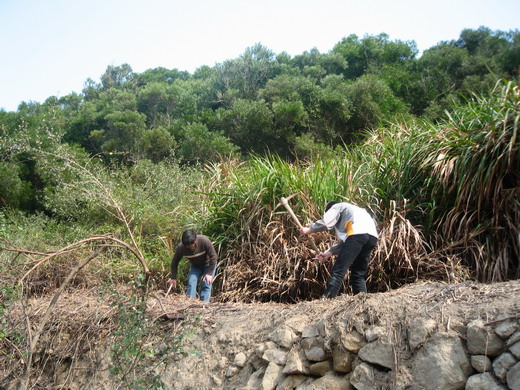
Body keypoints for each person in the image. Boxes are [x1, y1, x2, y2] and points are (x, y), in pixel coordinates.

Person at [300, 201, 378, 298]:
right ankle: (362, 300)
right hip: (372, 238)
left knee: (338, 270)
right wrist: (329, 253)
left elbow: (327, 221)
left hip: (358, 236)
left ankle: (328, 298)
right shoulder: (357, 212)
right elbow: (350, 242)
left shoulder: (337, 206)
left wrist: (309, 229)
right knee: (358, 274)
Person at [168, 229, 218, 302]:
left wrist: (209, 273)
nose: (189, 247)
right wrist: (173, 277)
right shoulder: (181, 247)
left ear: (195, 241)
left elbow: (214, 256)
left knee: (206, 283)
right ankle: (191, 303)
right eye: (187, 245)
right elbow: (175, 261)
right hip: (196, 266)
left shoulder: (204, 241)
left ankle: (204, 304)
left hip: (208, 264)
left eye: (190, 245)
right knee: (191, 282)